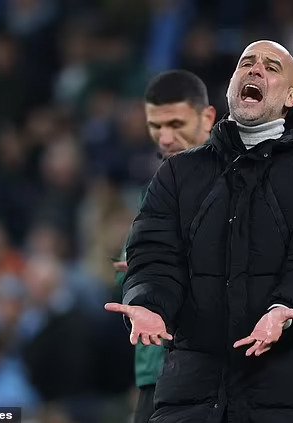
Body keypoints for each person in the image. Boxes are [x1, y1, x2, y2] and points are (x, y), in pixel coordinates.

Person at [106, 40, 293, 423]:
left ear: (292, 97)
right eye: (247, 63)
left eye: (271, 67)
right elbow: (154, 257)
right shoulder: (177, 174)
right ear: (229, 87)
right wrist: (148, 302)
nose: (255, 69)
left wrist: (284, 310)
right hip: (193, 399)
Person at [112, 69, 216, 423]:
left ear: (207, 118)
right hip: (154, 369)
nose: (166, 138)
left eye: (176, 124)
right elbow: (129, 273)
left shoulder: (236, 181)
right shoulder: (156, 189)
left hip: (208, 370)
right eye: (155, 126)